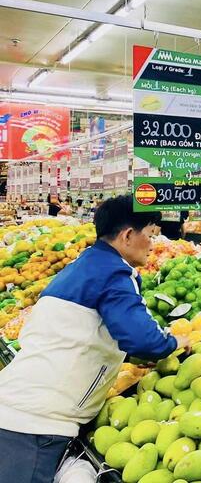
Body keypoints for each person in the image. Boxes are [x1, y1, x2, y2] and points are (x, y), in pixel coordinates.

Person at [0, 195, 182, 483]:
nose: (152, 244)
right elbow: (145, 339)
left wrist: (129, 357)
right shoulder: (114, 273)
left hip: (19, 407)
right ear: (127, 235)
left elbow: (84, 330)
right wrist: (176, 342)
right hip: (35, 425)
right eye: (149, 235)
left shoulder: (85, 265)